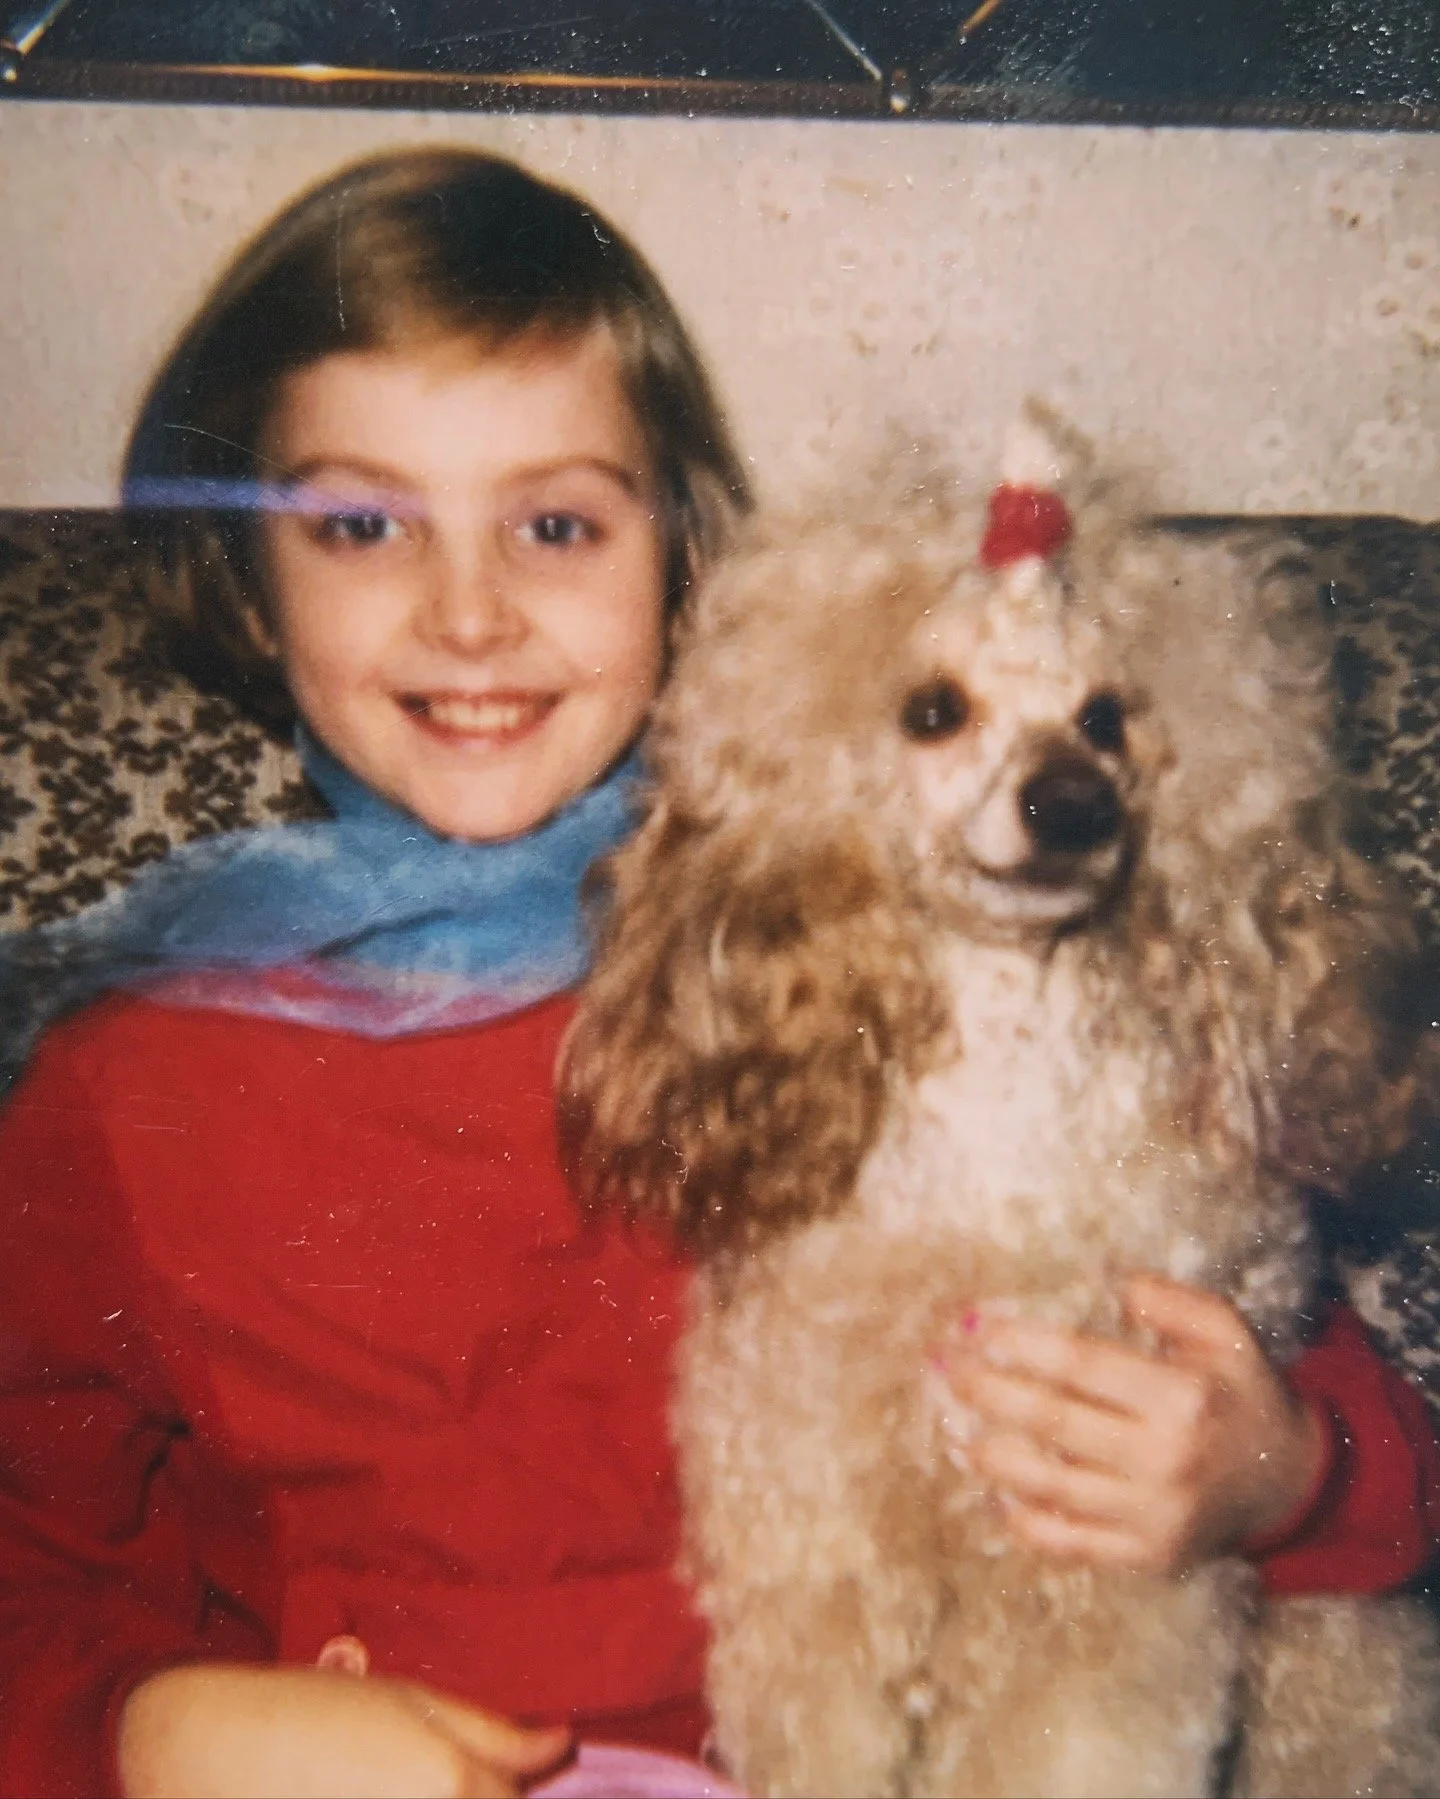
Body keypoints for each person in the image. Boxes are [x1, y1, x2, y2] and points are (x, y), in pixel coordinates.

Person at [0, 146, 1434, 1799]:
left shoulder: (896, 940)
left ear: (681, 561)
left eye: (553, 523)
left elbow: (1257, 1339)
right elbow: (30, 1562)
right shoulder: (131, 1089)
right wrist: (154, 1729)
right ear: (249, 586)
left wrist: (1284, 1474)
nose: (470, 615)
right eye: (361, 524)